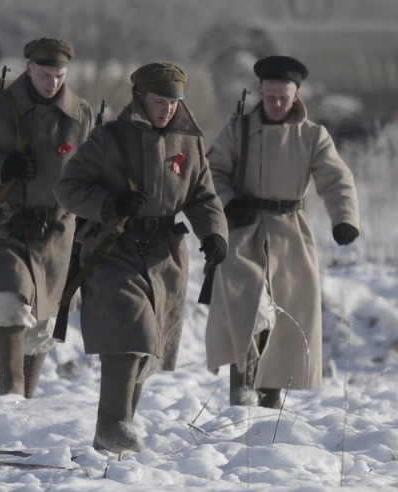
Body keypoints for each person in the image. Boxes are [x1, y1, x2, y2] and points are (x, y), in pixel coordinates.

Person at [54, 62, 228, 455]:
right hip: (113, 249)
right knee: (132, 330)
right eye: (158, 101)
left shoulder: (189, 142)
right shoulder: (109, 138)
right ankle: (112, 424)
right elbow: (67, 188)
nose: (166, 109)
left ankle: (119, 427)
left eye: (173, 101)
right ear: (140, 99)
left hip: (165, 257)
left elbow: (203, 196)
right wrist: (109, 202)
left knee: (150, 343)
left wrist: (215, 233)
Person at [205, 55, 360, 408]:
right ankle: (241, 386)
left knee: (286, 317)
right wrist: (228, 203)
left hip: (291, 233)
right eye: (270, 96)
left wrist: (344, 218)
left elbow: (337, 179)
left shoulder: (313, 135)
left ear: (296, 96)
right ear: (261, 91)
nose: (275, 104)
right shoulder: (239, 128)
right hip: (244, 230)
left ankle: (270, 398)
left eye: (283, 97)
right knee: (247, 306)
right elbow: (211, 170)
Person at [0, 37, 94, 399]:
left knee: (43, 325)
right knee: (7, 303)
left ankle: (26, 401)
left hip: (55, 231)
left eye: (60, 76)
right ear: (29, 68)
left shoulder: (80, 115)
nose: (53, 83)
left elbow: (94, 170)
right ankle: (10, 391)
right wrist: (2, 166)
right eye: (46, 74)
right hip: (3, 224)